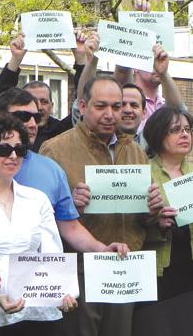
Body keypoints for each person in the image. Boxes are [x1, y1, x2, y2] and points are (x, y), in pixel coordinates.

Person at [39, 76, 162, 336]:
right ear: (82, 107)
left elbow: (144, 216)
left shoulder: (135, 150)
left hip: (125, 266)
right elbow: (38, 218)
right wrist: (70, 206)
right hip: (82, 269)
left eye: (116, 107)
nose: (110, 114)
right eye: (101, 106)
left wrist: (152, 211)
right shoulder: (55, 149)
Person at [0, 87, 128, 257]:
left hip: (34, 284)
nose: (32, 123)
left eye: (36, 116)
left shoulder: (51, 170)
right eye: (23, 116)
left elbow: (69, 227)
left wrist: (102, 249)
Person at [0, 113, 76, 335]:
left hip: (37, 315)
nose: (12, 156)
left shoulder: (38, 200)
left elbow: (52, 255)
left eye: (19, 150)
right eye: (3, 149)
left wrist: (62, 292)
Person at [142, 106, 193, 300]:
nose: (184, 135)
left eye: (187, 130)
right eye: (175, 130)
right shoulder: (143, 173)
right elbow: (128, 226)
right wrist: (157, 224)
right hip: (160, 270)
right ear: (158, 134)